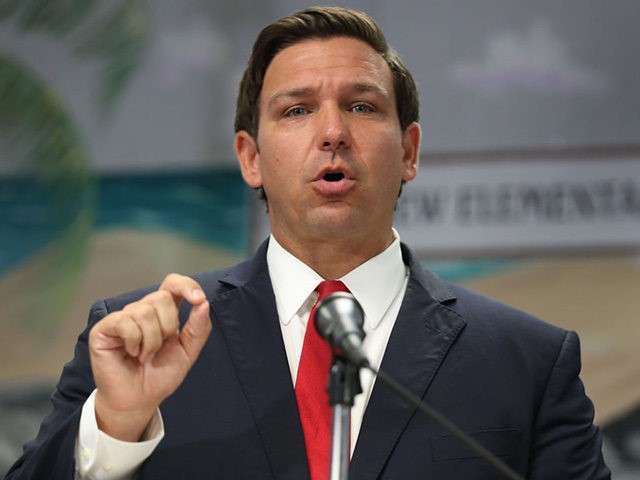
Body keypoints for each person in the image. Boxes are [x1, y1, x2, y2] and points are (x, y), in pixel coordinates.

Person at [7, 6, 610, 480]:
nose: (332, 133)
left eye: (360, 105)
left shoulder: (529, 363)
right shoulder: (139, 342)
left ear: (408, 152)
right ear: (250, 158)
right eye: (296, 111)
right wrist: (115, 425)